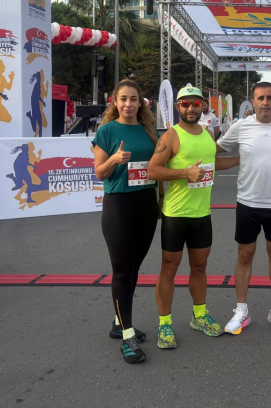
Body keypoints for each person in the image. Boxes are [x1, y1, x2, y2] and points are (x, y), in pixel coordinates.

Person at [147, 85, 239, 349]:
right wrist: (184, 173)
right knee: (169, 269)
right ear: (178, 107)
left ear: (202, 106)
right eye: (185, 104)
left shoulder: (208, 134)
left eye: (195, 104)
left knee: (200, 268)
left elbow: (213, 163)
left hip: (202, 214)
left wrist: (243, 158)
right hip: (176, 215)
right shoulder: (171, 136)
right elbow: (152, 170)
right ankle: (165, 323)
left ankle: (199, 316)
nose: (190, 108)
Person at [218, 82, 271, 334]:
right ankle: (241, 310)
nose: (265, 102)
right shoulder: (241, 126)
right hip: (248, 203)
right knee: (244, 256)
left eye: (269, 98)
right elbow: (214, 149)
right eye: (260, 98)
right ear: (253, 102)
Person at [92, 80, 162, 364]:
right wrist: (114, 160)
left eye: (133, 99)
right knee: (122, 271)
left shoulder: (149, 130)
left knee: (133, 268)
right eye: (123, 99)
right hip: (119, 205)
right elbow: (99, 173)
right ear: (115, 102)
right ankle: (127, 335)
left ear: (140, 102)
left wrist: (160, 200)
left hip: (146, 203)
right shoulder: (107, 131)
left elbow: (158, 166)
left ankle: (118, 323)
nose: (128, 104)